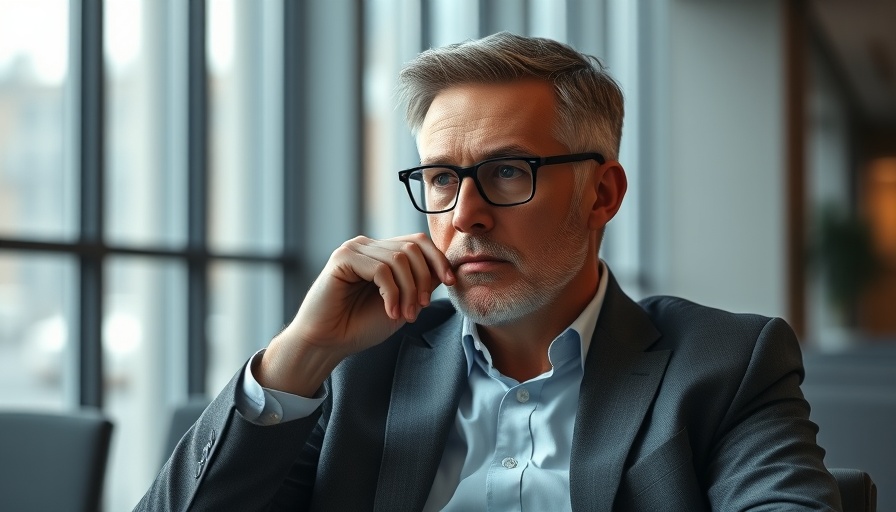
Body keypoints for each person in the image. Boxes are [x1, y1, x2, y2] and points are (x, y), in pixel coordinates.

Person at [137, 32, 841, 511]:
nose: (465, 215)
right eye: (443, 179)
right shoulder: (360, 367)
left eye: (508, 172)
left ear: (603, 195)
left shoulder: (725, 365)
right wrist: (301, 354)